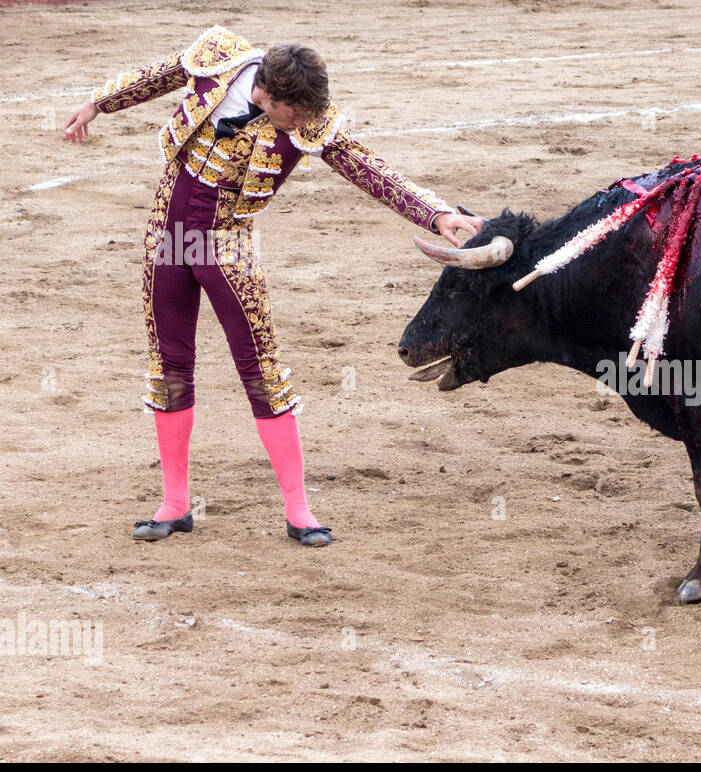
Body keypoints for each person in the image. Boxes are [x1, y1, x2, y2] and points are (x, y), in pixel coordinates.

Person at [63, 25, 483, 546]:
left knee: (261, 368)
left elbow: (365, 165)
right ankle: (174, 505)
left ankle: (299, 511)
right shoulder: (219, 57)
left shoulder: (308, 118)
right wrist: (97, 104)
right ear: (266, 93)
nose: (302, 124)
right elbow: (160, 74)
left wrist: (434, 213)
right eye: (295, 114)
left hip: (227, 244)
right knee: (169, 365)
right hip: (166, 233)